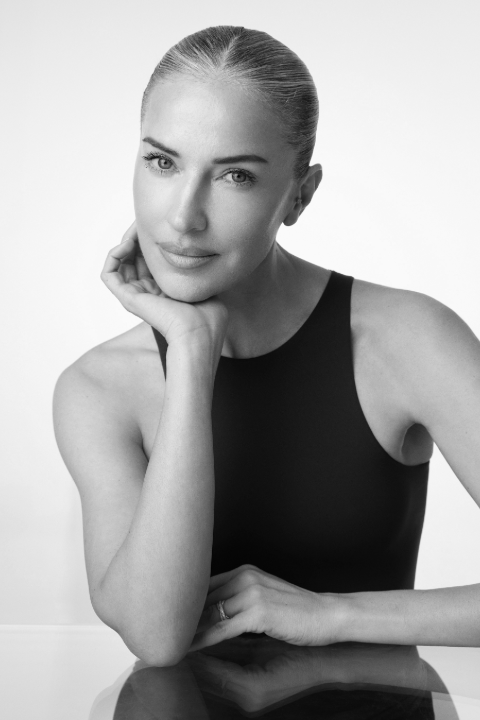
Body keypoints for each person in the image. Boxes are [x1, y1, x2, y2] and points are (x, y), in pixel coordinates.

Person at [53, 25, 480, 667]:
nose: (184, 217)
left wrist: (331, 615)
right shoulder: (98, 387)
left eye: (235, 176)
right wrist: (191, 355)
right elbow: (155, 635)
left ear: (299, 196)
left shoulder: (408, 338)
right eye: (163, 162)